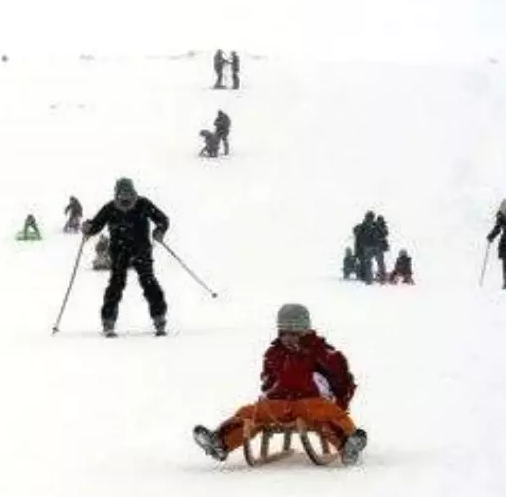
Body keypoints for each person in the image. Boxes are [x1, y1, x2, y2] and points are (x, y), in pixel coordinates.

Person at [192, 304, 368, 465]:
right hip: (278, 404)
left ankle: (348, 443)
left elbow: (342, 380)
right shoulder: (274, 353)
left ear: (306, 330)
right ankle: (220, 442)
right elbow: (267, 379)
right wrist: (268, 390)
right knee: (249, 413)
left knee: (327, 415)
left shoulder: (322, 352)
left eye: (295, 333)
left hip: (310, 402)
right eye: (284, 333)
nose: (288, 338)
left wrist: (341, 403)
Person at [80, 177, 170, 337]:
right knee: (116, 283)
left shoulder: (143, 204)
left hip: (141, 248)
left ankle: (159, 319)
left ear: (134, 192)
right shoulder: (110, 208)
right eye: (122, 193)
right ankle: (108, 321)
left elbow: (162, 219)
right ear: (116, 193)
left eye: (128, 193)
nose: (125, 197)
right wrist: (88, 228)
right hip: (119, 251)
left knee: (148, 281)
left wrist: (160, 231)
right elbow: (96, 225)